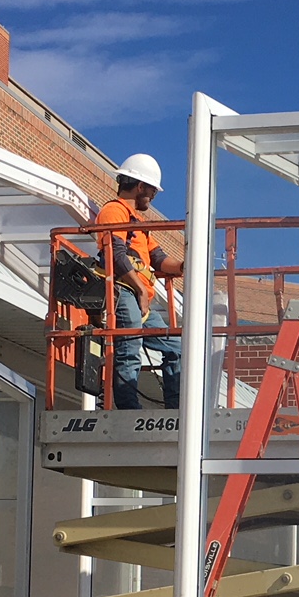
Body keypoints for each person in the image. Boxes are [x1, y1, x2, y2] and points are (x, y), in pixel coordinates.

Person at [95, 154, 181, 410]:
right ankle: (128, 411)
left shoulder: (136, 222)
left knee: (178, 348)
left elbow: (159, 259)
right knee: (129, 347)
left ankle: (176, 410)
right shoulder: (114, 211)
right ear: (140, 186)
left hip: (137, 295)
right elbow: (114, 254)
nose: (153, 195)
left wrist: (187, 265)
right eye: (152, 189)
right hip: (123, 291)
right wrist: (141, 289)